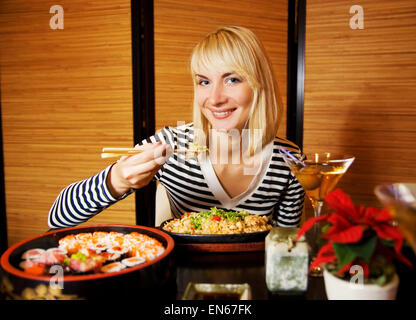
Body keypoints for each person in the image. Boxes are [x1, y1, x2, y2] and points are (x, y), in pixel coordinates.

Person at [48, 26, 304, 229]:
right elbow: (57, 217)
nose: (214, 98)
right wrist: (117, 179)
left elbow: (287, 248)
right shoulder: (172, 144)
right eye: (203, 82)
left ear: (259, 85)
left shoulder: (289, 160)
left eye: (232, 79)